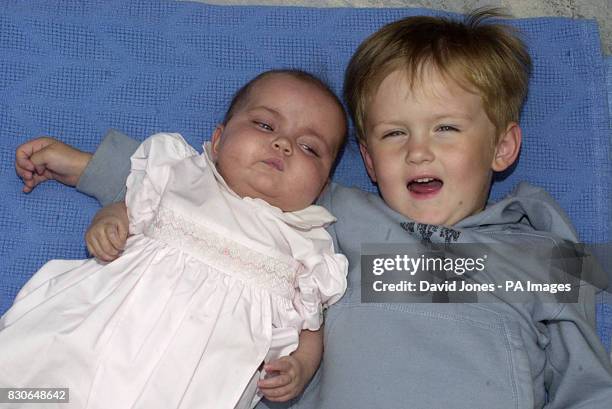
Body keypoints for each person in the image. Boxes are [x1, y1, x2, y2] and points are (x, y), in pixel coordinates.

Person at [13, 9, 612, 408]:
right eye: (394, 134)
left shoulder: (533, 246)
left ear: (503, 147)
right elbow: (217, 194)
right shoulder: (335, 219)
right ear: (370, 162)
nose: (419, 150)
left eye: (447, 128)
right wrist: (94, 168)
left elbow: (586, 373)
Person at [2, 69, 349, 409]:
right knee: (49, 377)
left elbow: (311, 324)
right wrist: (110, 218)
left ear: (322, 186)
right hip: (111, 327)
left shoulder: (307, 243)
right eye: (264, 125)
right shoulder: (181, 174)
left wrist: (301, 366)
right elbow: (131, 204)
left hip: (197, 377)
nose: (283, 144)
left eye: (309, 147)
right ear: (218, 140)